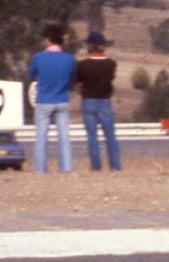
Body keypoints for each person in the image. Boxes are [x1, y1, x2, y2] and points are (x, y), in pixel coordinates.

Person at [27, 24, 77, 174]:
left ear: (48, 40)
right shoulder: (69, 59)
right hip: (62, 99)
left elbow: (31, 76)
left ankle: (41, 169)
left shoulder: (38, 58)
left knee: (41, 137)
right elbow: (71, 80)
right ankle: (66, 167)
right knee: (64, 136)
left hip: (44, 100)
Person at [75, 31, 121, 171]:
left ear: (91, 46)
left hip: (89, 101)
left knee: (92, 137)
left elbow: (79, 83)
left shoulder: (83, 65)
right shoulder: (111, 64)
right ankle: (115, 166)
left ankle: (96, 166)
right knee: (110, 136)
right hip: (105, 101)